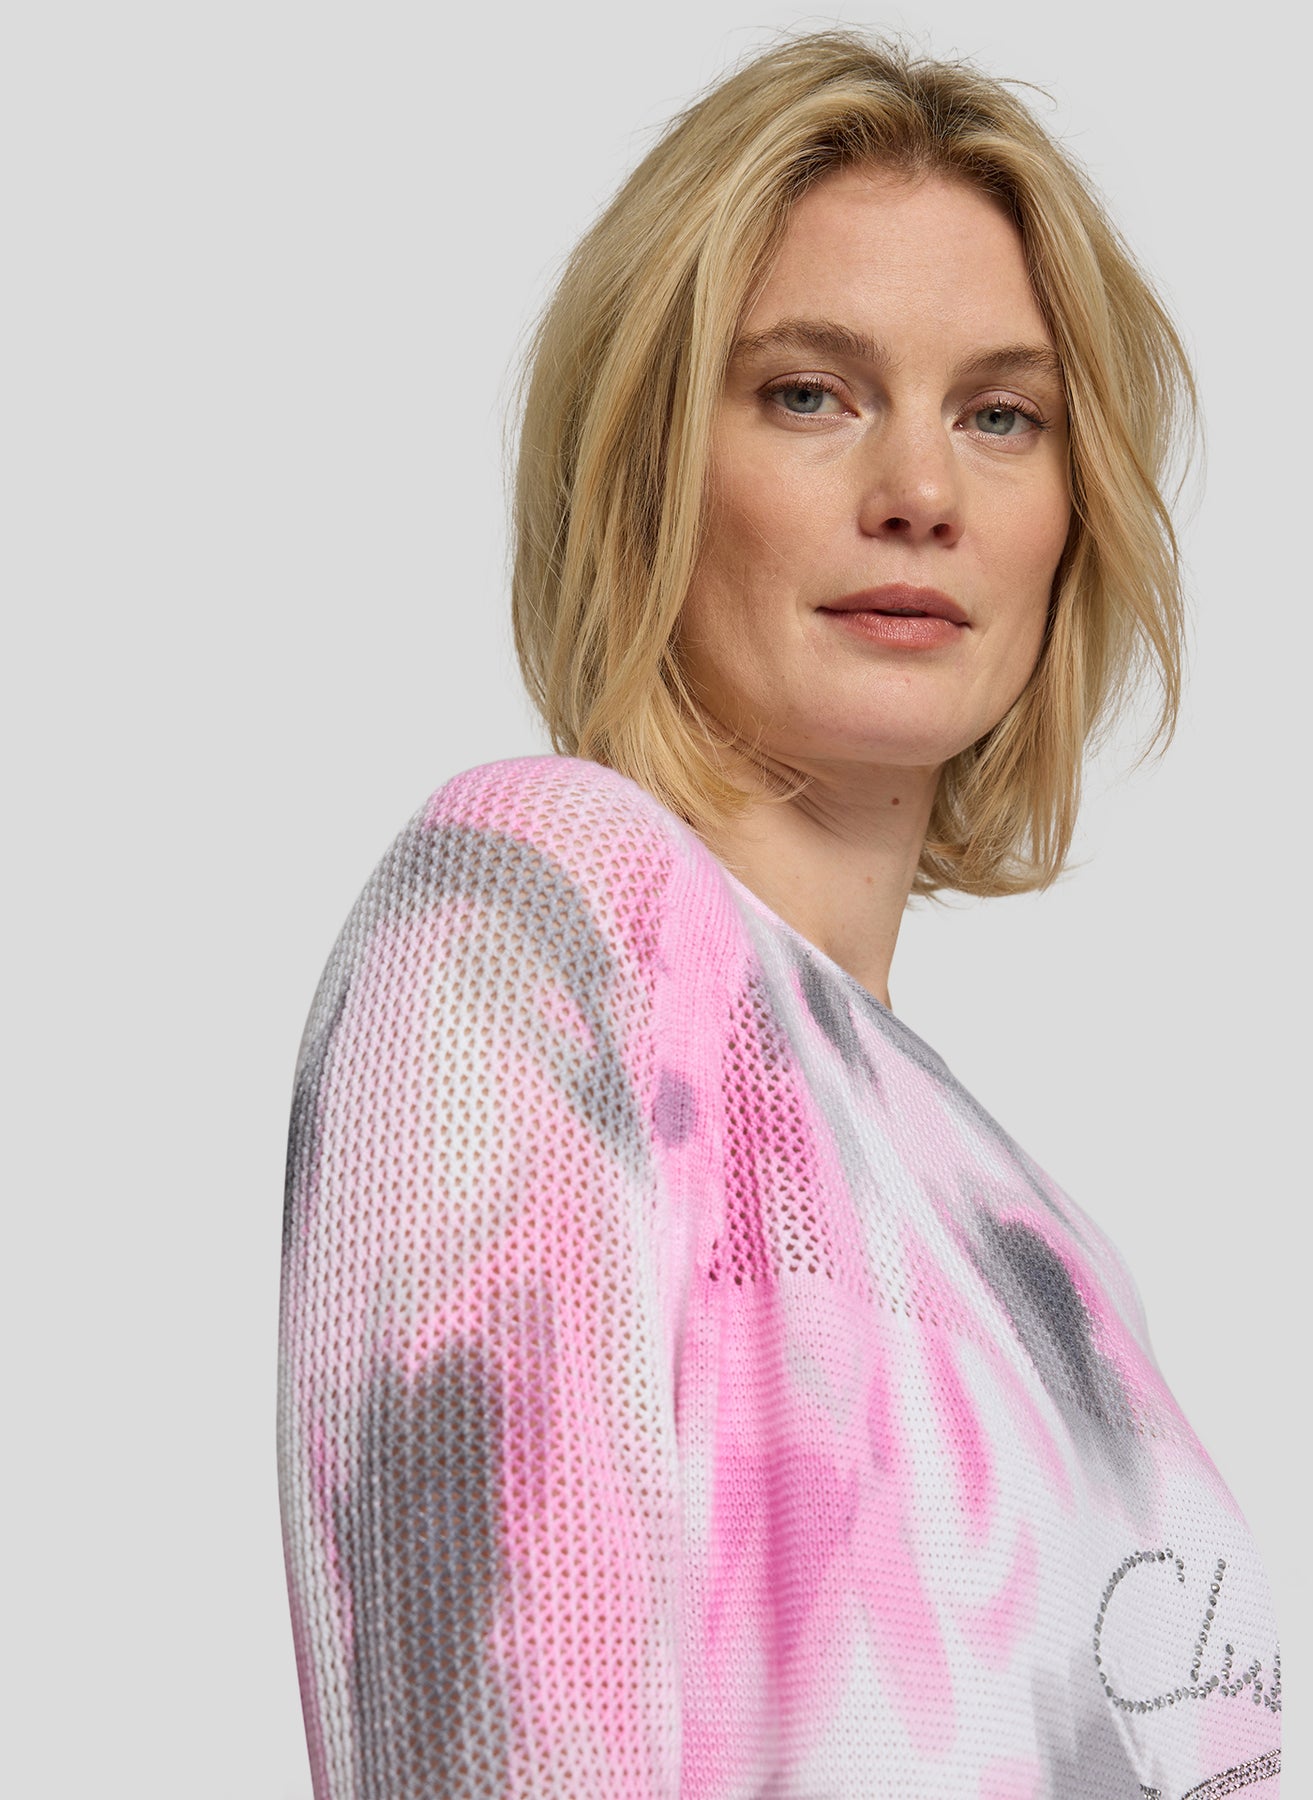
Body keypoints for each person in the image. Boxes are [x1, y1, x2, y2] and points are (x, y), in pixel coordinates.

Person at [277, 29, 1282, 1799]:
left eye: (1000, 415)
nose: (920, 493)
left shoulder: (1053, 1256)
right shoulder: (539, 919)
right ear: (647, 462)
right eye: (810, 394)